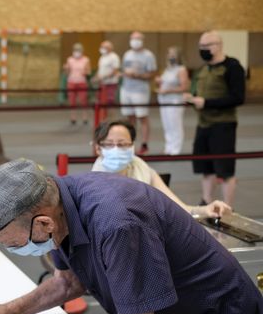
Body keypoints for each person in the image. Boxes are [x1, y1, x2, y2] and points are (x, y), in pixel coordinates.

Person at [0, 159, 263, 314]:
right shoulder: (57, 200)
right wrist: (7, 311)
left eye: (15, 245)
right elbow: (67, 284)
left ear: (44, 223)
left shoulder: (117, 225)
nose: (18, 250)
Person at [92, 120, 231, 218]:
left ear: (132, 146)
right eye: (109, 144)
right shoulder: (91, 185)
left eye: (122, 144)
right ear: (98, 148)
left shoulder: (143, 169)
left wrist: (204, 210)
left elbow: (177, 207)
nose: (116, 149)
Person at [184, 31, 245, 207]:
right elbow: (199, 95)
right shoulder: (203, 69)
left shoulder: (232, 67)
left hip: (223, 125)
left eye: (206, 46)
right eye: (200, 47)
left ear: (218, 46)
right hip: (203, 124)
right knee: (206, 168)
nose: (202, 50)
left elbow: (238, 97)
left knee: (225, 170)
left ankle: (228, 208)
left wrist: (207, 102)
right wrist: (192, 98)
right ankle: (207, 202)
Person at [120, 31, 157, 155]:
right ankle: (130, 143)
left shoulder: (148, 55)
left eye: (137, 39)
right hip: (126, 89)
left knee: (142, 117)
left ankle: (144, 144)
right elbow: (123, 70)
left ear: (142, 40)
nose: (135, 41)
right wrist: (125, 73)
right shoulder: (127, 54)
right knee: (129, 118)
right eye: (133, 39)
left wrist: (138, 75)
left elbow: (152, 73)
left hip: (140, 90)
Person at [156, 47, 190, 155]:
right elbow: (165, 83)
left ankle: (176, 148)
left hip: (174, 100)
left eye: (173, 54)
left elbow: (184, 87)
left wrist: (169, 90)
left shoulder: (181, 69)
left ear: (178, 56)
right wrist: (160, 82)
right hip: (163, 100)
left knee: (175, 124)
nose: (171, 56)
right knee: (167, 125)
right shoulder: (167, 69)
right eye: (169, 54)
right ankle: (169, 146)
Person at [63, 43, 91, 125]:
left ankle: (85, 117)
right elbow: (66, 72)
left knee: (83, 100)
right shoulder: (70, 59)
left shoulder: (86, 59)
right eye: (75, 50)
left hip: (82, 81)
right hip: (71, 81)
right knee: (72, 100)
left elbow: (88, 71)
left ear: (82, 51)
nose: (77, 52)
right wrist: (66, 68)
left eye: (78, 50)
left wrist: (85, 71)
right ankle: (73, 117)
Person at [94, 40, 120, 117]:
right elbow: (100, 70)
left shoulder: (114, 57)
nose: (102, 48)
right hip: (102, 84)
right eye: (101, 47)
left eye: (104, 47)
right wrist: (96, 77)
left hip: (111, 83)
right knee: (101, 102)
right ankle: (103, 119)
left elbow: (115, 71)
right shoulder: (102, 57)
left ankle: (111, 120)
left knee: (110, 103)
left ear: (110, 48)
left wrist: (104, 77)